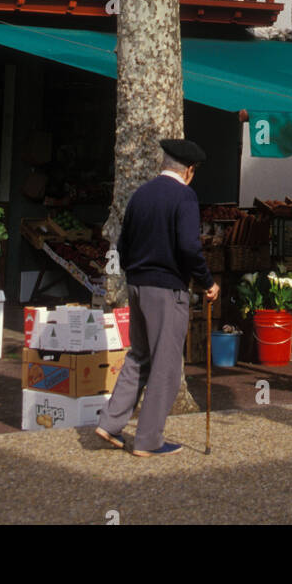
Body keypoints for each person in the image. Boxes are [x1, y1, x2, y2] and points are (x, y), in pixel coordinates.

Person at [95, 138, 219, 458]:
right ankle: (149, 440)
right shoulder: (185, 196)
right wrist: (207, 282)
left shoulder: (141, 194)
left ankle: (110, 422)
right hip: (166, 288)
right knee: (165, 364)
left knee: (139, 355)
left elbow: (121, 245)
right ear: (189, 170)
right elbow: (189, 248)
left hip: (136, 284)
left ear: (165, 164)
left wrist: (134, 274)